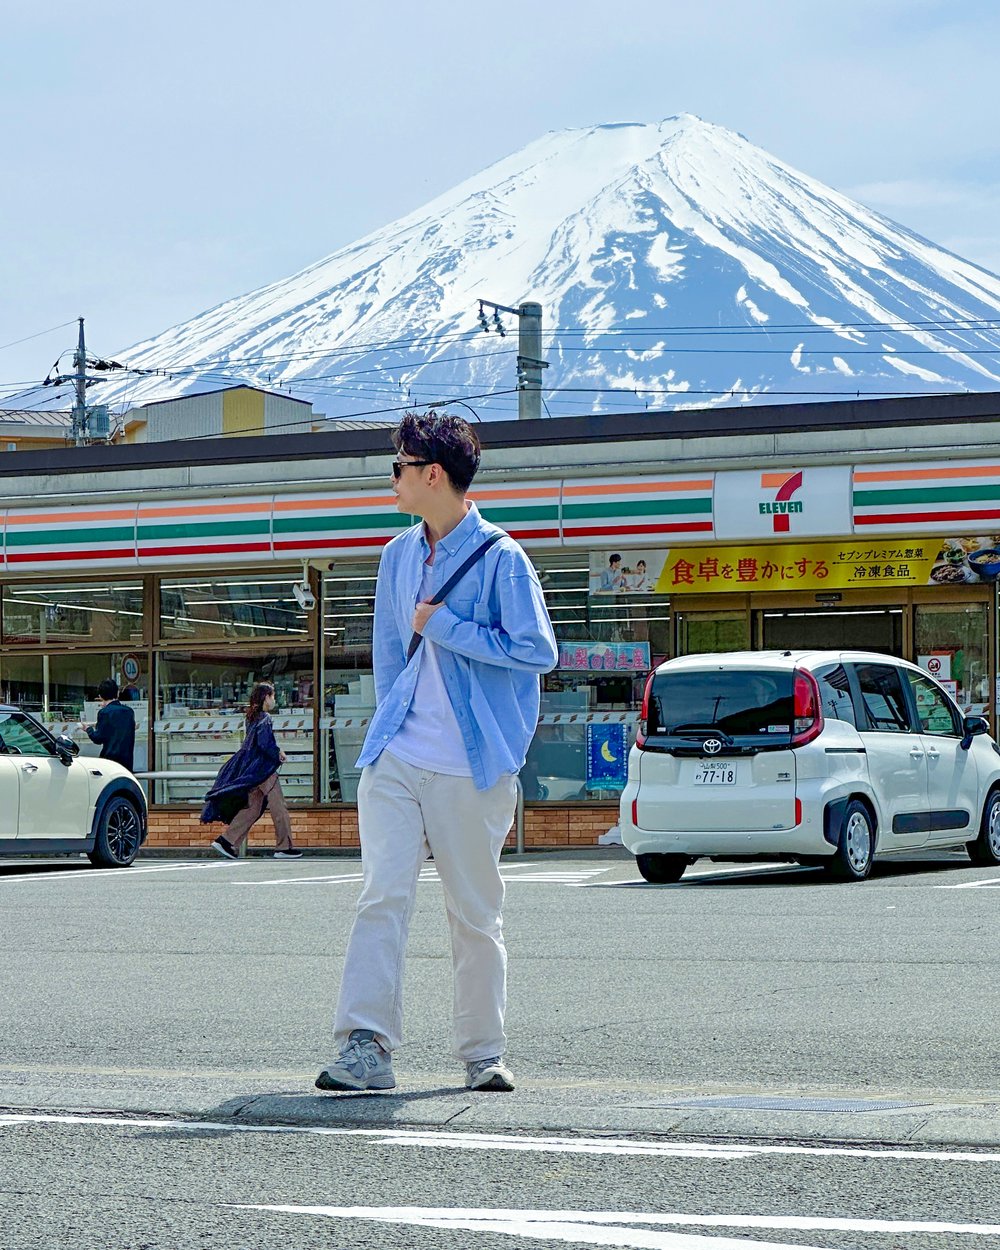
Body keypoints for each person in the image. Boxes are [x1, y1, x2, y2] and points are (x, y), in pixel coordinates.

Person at [316, 411, 557, 1095]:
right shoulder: (396, 557)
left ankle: (483, 1053)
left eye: (398, 465)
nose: (390, 478)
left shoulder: (503, 557)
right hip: (396, 759)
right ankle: (365, 1047)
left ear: (433, 474)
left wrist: (446, 625)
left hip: (472, 767)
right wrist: (389, 727)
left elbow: (537, 651)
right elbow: (392, 659)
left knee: (474, 914)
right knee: (380, 898)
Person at [201, 681, 302, 860]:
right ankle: (284, 847)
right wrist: (278, 753)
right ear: (266, 697)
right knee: (279, 807)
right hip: (264, 770)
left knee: (253, 808)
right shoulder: (265, 718)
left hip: (251, 770)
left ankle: (227, 841)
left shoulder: (251, 717)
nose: (274, 700)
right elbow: (265, 744)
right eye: (273, 696)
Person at [80, 678, 135, 771]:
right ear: (117, 693)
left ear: (100, 696)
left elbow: (98, 738)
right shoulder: (129, 712)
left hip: (110, 763)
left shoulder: (104, 713)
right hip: (127, 763)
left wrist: (88, 729)